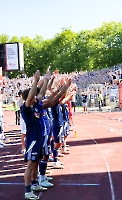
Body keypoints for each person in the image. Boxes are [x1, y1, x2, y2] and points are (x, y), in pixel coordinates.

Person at [21, 70, 70, 200]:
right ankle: (27, 191)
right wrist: (36, 81)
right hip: (32, 139)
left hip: (40, 138)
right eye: (36, 95)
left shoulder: (37, 105)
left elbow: (44, 95)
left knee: (36, 162)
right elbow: (32, 96)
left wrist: (48, 80)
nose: (39, 96)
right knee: (30, 164)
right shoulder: (26, 108)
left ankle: (35, 184)